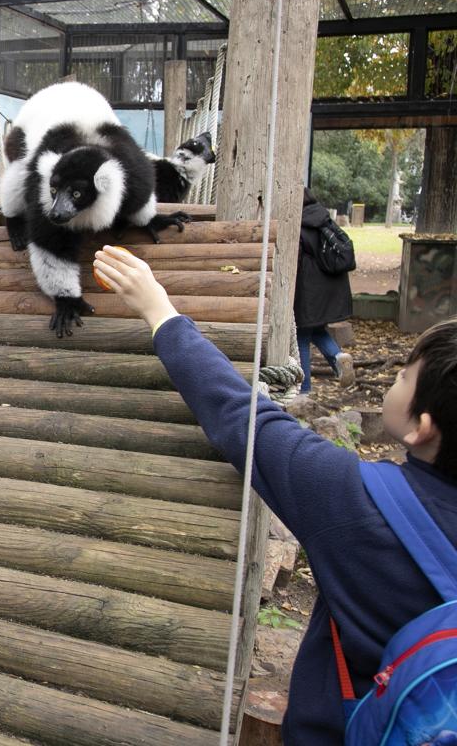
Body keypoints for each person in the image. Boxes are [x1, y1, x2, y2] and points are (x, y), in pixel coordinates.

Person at [93, 244, 457, 744]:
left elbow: (243, 418)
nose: (395, 381)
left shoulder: (361, 504)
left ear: (422, 428)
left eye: (402, 377)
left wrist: (159, 309)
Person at [296, 188, 355, 391]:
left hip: (309, 291)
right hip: (330, 288)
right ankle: (339, 358)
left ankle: (303, 390)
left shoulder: (298, 222)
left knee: (301, 335)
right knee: (316, 329)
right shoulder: (324, 218)